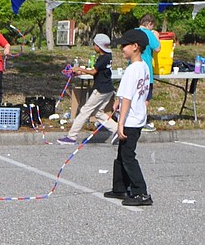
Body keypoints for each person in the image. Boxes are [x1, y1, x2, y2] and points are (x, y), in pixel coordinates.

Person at [104, 29, 152, 207]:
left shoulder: (132, 70)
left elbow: (128, 98)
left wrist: (120, 123)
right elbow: (128, 94)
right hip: (138, 117)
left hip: (130, 120)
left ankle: (141, 192)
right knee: (121, 154)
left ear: (136, 47)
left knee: (128, 156)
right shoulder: (144, 67)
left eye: (125, 45)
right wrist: (117, 100)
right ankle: (120, 188)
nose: (122, 48)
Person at [58, 33, 116, 145]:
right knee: (98, 112)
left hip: (101, 90)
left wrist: (80, 69)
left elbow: (94, 71)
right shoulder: (109, 56)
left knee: (85, 111)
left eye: (94, 44)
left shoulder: (103, 58)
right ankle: (117, 129)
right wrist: (79, 72)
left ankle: (71, 137)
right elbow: (98, 72)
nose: (94, 46)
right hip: (108, 89)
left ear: (99, 46)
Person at [138, 14, 160, 103]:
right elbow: (157, 48)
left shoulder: (133, 32)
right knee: (145, 98)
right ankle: (143, 116)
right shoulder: (149, 33)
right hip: (146, 69)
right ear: (149, 24)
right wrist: (156, 36)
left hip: (132, 67)